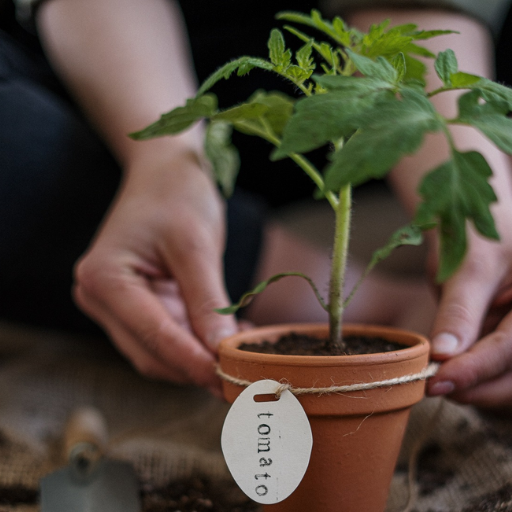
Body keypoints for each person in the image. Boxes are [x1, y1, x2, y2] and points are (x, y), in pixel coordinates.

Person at [1, 0, 512, 411]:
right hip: (141, 78)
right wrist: (167, 160)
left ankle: (463, 291)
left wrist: (481, 226)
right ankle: (382, 308)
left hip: (397, 65)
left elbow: (412, 15)